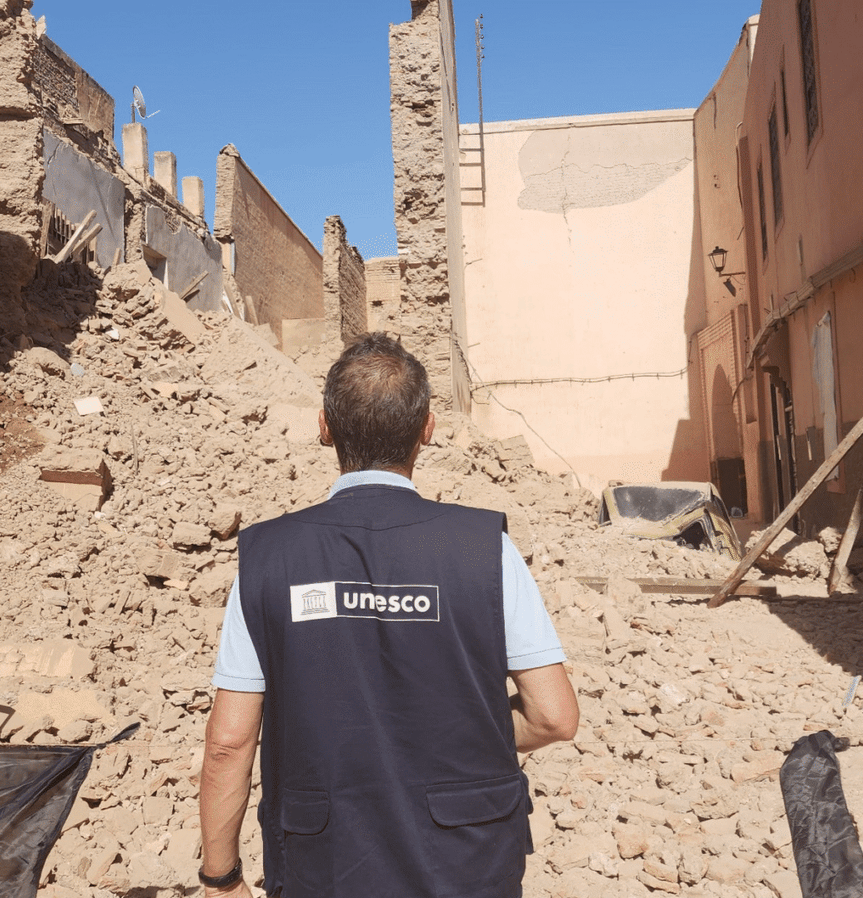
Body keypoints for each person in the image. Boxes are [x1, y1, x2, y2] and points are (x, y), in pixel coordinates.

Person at [198, 333, 580, 898]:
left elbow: (229, 742)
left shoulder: (268, 558)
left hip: (324, 862)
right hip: (467, 861)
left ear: (325, 425)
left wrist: (221, 877)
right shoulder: (484, 547)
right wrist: (454, 737)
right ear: (427, 428)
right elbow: (554, 717)